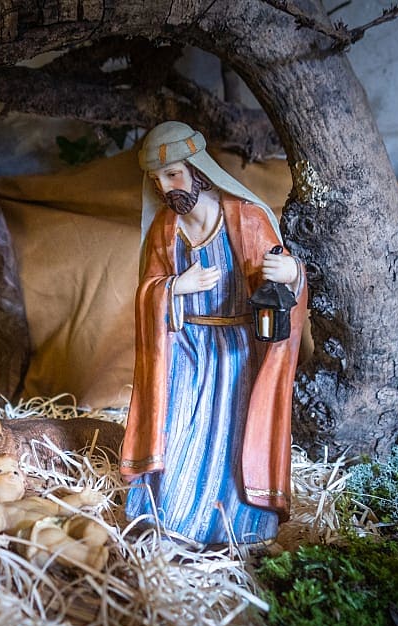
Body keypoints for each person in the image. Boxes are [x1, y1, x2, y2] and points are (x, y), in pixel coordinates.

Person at [120, 121, 307, 548]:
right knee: (181, 431)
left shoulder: (246, 218)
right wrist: (174, 288)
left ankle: (235, 528)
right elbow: (147, 291)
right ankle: (173, 521)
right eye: (157, 180)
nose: (166, 188)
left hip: (236, 352)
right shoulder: (165, 228)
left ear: (198, 169)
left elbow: (285, 281)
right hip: (185, 350)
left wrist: (291, 272)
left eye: (173, 174)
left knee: (229, 438)